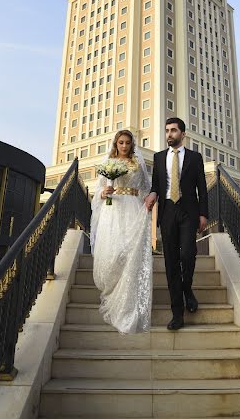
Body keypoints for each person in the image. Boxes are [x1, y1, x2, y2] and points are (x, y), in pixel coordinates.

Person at [145, 118, 208, 331]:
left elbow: (202, 188)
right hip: (167, 212)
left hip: (189, 211)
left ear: (183, 134)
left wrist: (203, 214)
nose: (169, 134)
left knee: (188, 254)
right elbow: (156, 185)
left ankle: (187, 288)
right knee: (171, 262)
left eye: (173, 130)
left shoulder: (195, 157)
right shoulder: (158, 157)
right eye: (167, 131)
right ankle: (177, 313)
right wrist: (151, 196)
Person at [90, 130, 152, 334]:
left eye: (127, 142)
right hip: (113, 209)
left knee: (130, 252)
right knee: (114, 251)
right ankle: (113, 291)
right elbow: (98, 189)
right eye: (121, 142)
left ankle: (129, 301)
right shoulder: (108, 161)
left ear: (132, 144)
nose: (124, 146)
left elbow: (146, 188)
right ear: (116, 143)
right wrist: (102, 193)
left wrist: (147, 205)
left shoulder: (137, 163)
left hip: (133, 208)